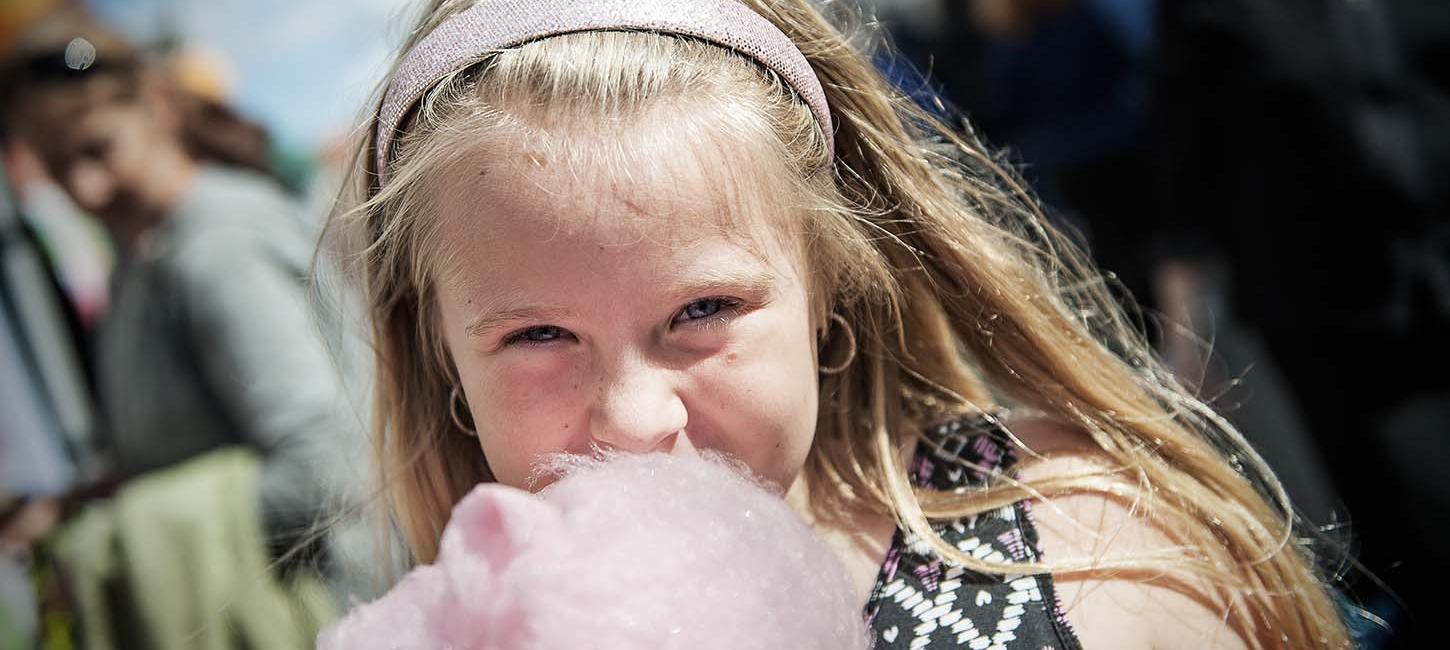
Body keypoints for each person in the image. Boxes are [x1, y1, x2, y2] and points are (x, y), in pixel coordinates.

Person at [325, 0, 1352, 647]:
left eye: (704, 309)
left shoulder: (1089, 560)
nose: (636, 420)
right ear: (442, 353)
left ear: (825, 291)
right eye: (538, 335)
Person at [0, 9, 361, 610]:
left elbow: (330, 465)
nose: (86, 189)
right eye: (61, 168)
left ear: (157, 106)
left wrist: (124, 535)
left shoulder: (219, 248)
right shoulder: (141, 264)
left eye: (98, 149)